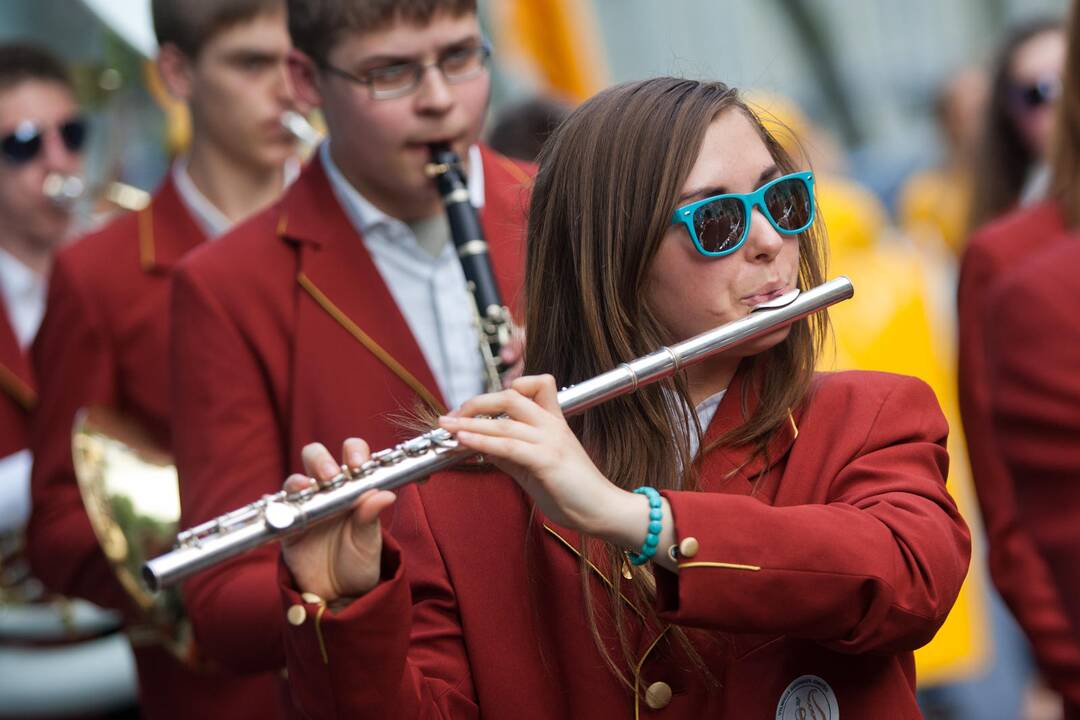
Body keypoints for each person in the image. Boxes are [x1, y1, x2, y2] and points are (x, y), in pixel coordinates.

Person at [275, 77, 970, 718]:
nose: (769, 241)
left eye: (782, 200)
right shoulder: (459, 496)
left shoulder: (871, 418)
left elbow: (909, 578)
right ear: (615, 261)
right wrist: (345, 604)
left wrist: (637, 520)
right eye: (719, 221)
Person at [169, 0, 532, 687]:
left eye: (459, 57)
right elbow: (219, 601)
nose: (439, 101)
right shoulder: (227, 285)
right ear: (306, 81)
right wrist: (350, 577)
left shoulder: (566, 207)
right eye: (390, 72)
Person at [26, 1, 303, 717]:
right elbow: (58, 529)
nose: (287, 89)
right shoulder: (99, 275)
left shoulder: (362, 230)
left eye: (297, 62)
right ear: (176, 73)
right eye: (252, 63)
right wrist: (204, 575)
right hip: (223, 692)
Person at [958, 4, 1080, 715]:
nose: (1056, 105)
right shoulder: (1005, 259)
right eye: (1037, 91)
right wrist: (1065, 665)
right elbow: (1007, 499)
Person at [970, 18, 1065, 230]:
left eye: (1072, 81)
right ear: (1009, 113)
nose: (1062, 103)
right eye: (1038, 93)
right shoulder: (1004, 234)